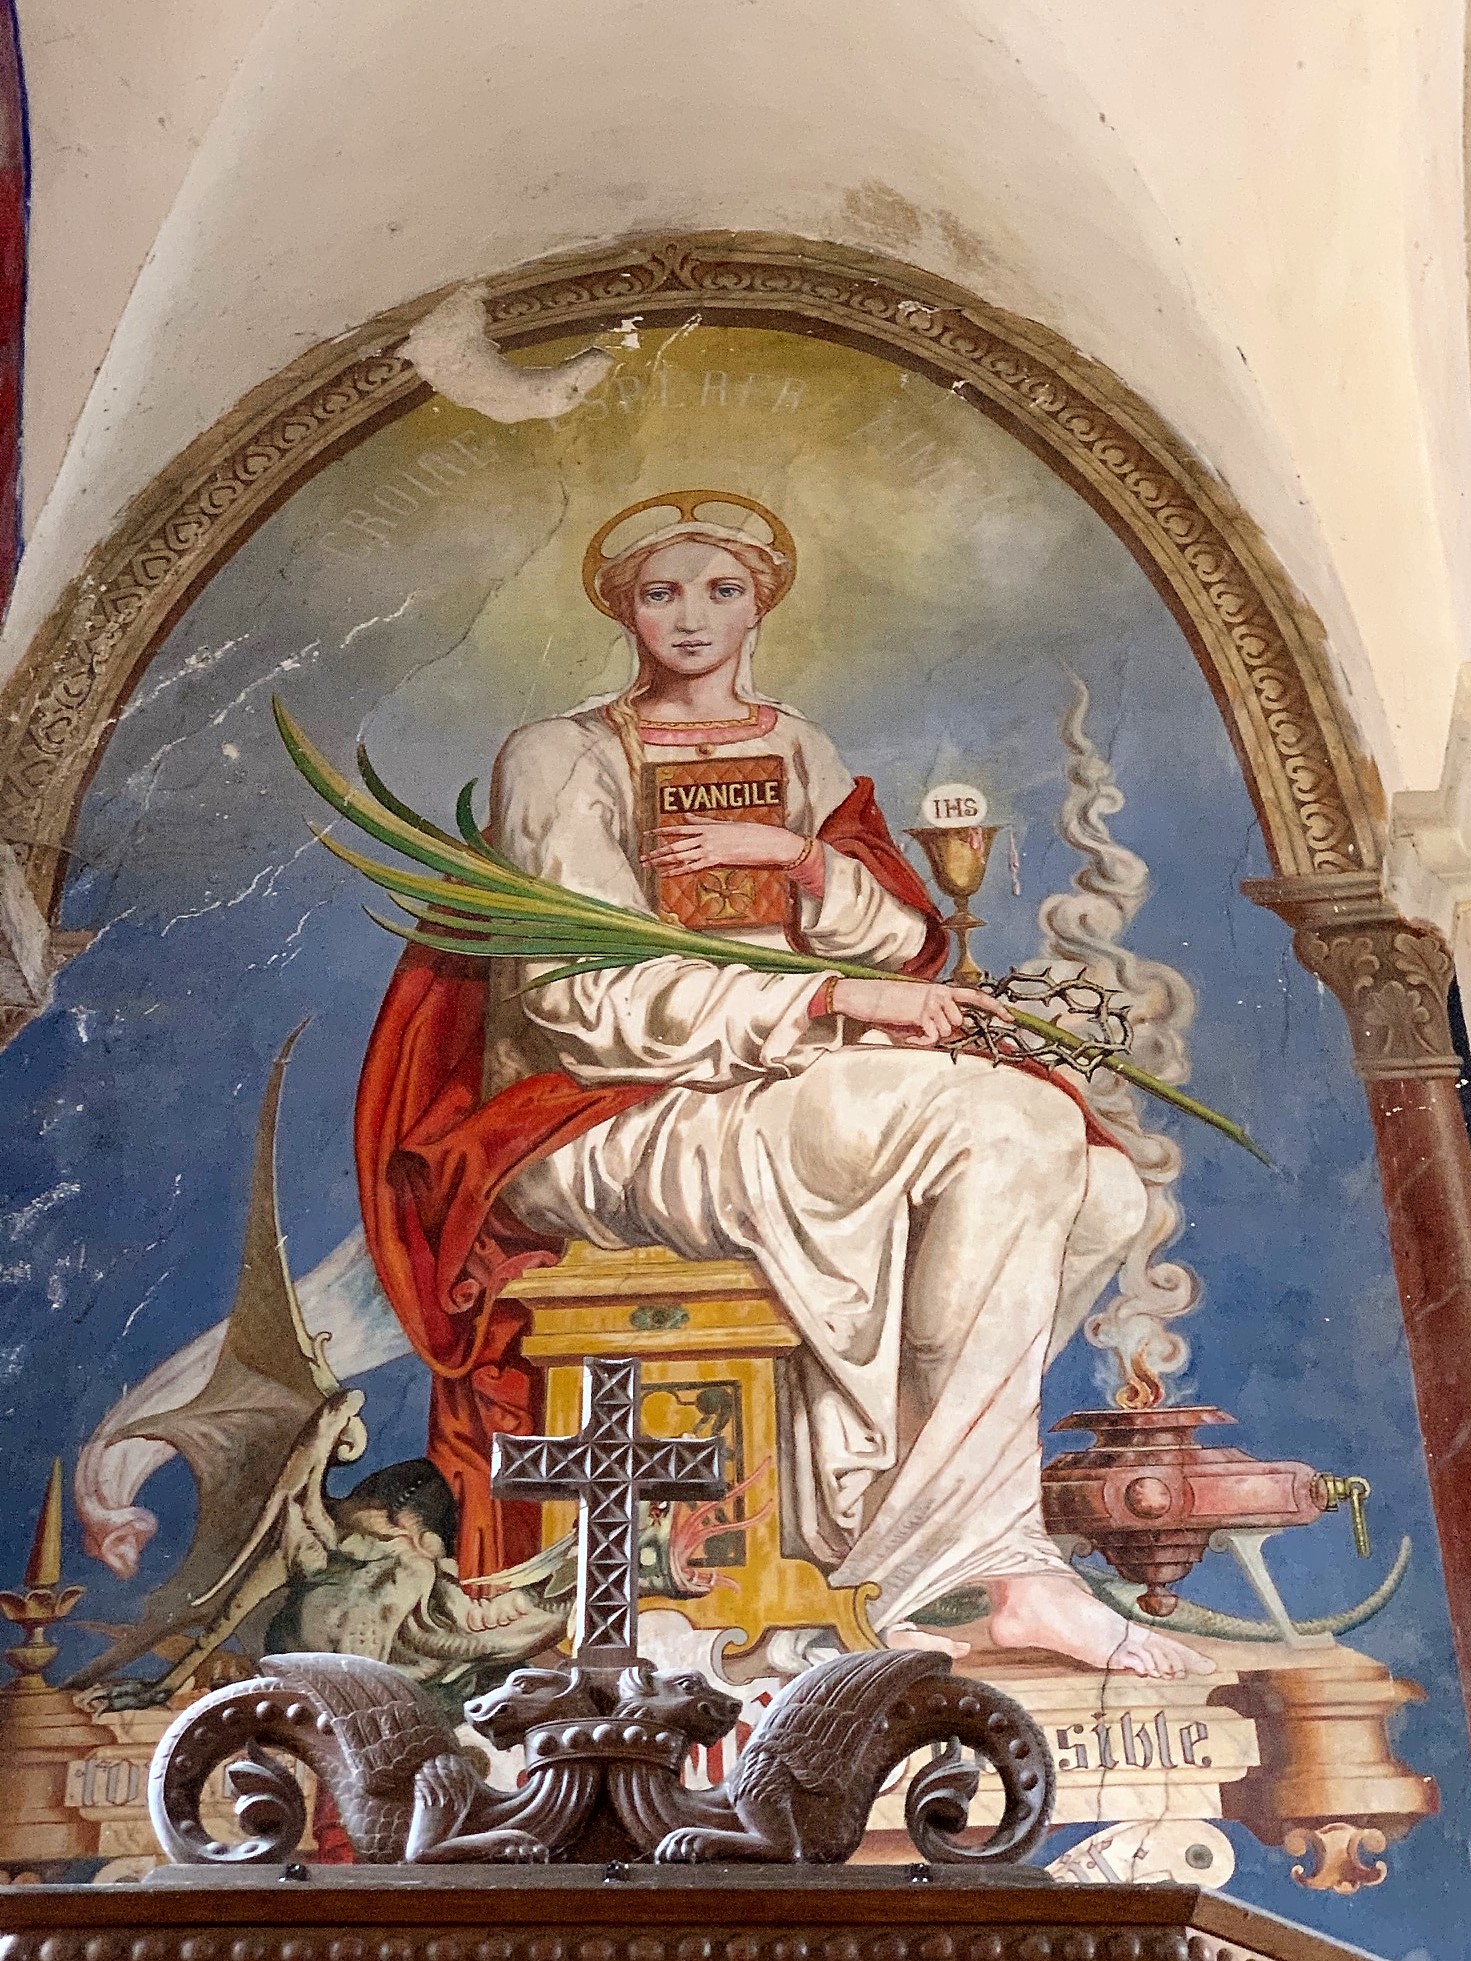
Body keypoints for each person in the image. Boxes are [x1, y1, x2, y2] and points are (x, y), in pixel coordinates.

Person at [356, 492, 1210, 1680]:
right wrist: (821, 1002)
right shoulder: (562, 757)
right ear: (622, 608)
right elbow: (585, 1004)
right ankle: (993, 1567)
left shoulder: (797, 748)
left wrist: (801, 861)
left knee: (1104, 1196)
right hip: (605, 1113)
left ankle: (865, 1528)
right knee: (1010, 1121)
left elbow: (896, 944)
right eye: (660, 590)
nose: (691, 616)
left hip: (782, 1084)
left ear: (761, 601)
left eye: (721, 588)